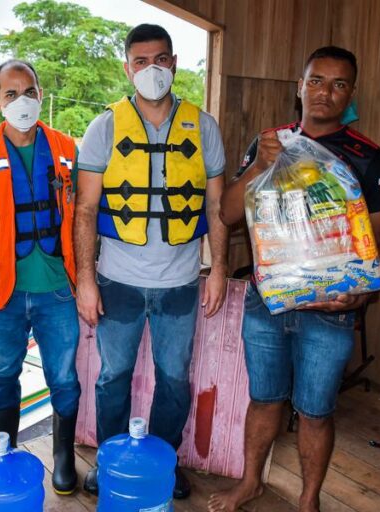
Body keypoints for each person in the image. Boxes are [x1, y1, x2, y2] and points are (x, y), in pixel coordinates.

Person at [209, 46, 380, 512]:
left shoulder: (368, 157)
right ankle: (251, 482)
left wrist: (362, 295)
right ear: (300, 86)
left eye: (338, 84)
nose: (325, 92)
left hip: (332, 311)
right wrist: (257, 165)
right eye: (316, 80)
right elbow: (228, 212)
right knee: (264, 399)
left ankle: (309, 500)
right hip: (267, 303)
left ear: (349, 94)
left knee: (315, 411)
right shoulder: (270, 143)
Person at [75, 23, 228, 500]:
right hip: (117, 279)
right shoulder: (104, 126)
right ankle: (110, 461)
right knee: (112, 377)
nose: (151, 70)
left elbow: (216, 208)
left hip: (181, 282)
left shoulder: (203, 126)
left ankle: (163, 459)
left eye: (160, 60)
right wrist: (85, 279)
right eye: (140, 62)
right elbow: (84, 209)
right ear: (127, 68)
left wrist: (218, 268)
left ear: (174, 63)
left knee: (175, 379)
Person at [0, 59, 80, 495]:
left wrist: (84, 281)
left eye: (29, 92)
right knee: (3, 372)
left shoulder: (68, 148)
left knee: (63, 376)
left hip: (57, 288)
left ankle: (64, 457)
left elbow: (82, 216)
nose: (21, 102)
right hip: (0, 289)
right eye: (10, 94)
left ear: (41, 95)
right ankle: (3, 452)